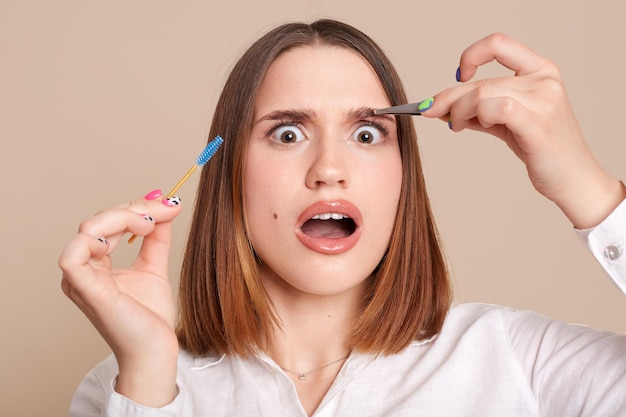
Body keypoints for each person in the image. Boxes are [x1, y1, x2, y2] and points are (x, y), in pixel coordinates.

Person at [59, 19, 626, 416]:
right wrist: (150, 374)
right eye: (287, 133)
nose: (329, 170)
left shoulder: (522, 363)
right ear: (228, 173)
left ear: (404, 175)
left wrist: (588, 186)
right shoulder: (125, 387)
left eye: (366, 133)